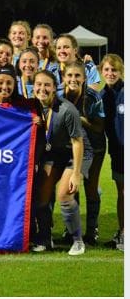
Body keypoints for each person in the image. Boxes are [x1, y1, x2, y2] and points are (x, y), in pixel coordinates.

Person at [32, 70, 85, 255]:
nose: (42, 89)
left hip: (73, 155)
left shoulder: (67, 110)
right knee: (42, 195)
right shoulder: (34, 107)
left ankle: (78, 241)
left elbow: (78, 142)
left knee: (64, 194)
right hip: (53, 155)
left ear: (55, 87)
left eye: (47, 85)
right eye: (39, 84)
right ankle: (46, 240)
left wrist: (77, 174)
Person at [62, 62, 105, 246]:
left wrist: (80, 120)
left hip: (95, 148)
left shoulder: (92, 97)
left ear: (84, 78)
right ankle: (73, 231)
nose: (73, 79)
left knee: (91, 187)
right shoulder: (60, 97)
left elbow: (99, 127)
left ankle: (92, 231)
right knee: (73, 187)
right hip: (71, 148)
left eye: (77, 76)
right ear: (63, 77)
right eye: (70, 75)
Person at [99, 54, 124, 251]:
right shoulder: (102, 96)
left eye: (114, 70)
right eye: (106, 70)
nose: (110, 73)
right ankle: (123, 232)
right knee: (122, 193)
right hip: (117, 153)